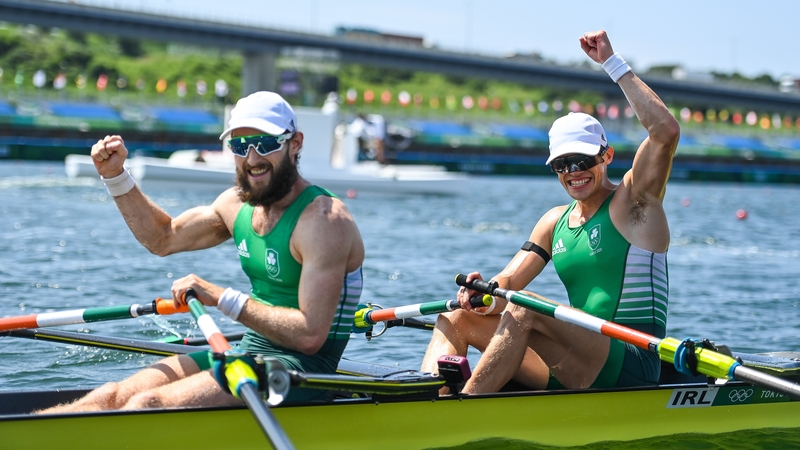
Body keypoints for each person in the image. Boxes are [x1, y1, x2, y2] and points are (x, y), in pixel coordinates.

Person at [39, 91, 365, 412]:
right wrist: (115, 177)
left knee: (147, 404)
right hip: (249, 353)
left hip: (303, 372)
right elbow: (163, 238)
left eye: (266, 144)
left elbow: (310, 336)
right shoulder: (236, 205)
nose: (252, 158)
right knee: (108, 396)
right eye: (240, 145)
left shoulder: (323, 221)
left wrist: (221, 296)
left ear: (295, 144)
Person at [421, 30, 679, 394]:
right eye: (562, 164)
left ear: (606, 156)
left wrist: (612, 63)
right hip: (574, 359)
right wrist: (481, 296)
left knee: (526, 309)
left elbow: (665, 132)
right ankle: (425, 399)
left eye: (581, 160)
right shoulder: (553, 221)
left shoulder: (634, 202)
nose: (573, 171)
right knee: (456, 316)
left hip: (632, 361)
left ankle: (466, 407)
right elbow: (507, 286)